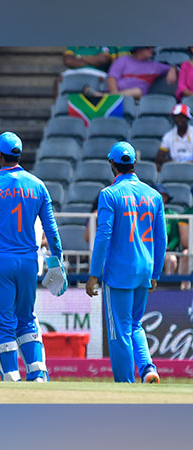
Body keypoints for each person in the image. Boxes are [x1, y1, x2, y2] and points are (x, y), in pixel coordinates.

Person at [0, 132, 66, 382]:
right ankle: (38, 373)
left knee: (2, 321)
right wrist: (58, 260)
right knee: (27, 318)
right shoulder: (37, 185)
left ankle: (11, 376)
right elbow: (51, 229)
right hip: (28, 260)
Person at [86, 141, 166, 383]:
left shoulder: (109, 194)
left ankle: (125, 386)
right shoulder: (153, 195)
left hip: (119, 271)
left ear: (112, 164)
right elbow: (161, 239)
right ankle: (147, 369)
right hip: (144, 269)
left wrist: (93, 274)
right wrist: (156, 273)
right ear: (133, 163)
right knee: (134, 324)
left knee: (119, 330)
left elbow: (102, 236)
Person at [85, 47, 177, 100]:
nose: (151, 50)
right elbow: (111, 78)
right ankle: (107, 97)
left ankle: (101, 96)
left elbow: (174, 67)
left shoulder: (155, 66)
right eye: (148, 47)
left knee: (138, 91)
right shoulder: (123, 59)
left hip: (136, 99)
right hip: (116, 96)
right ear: (138, 50)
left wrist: (172, 69)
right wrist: (115, 96)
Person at [155, 104, 193, 171]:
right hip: (174, 167)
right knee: (157, 166)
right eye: (176, 117)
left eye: (182, 117)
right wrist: (174, 162)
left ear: (187, 118)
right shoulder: (168, 135)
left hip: (191, 166)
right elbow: (159, 157)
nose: (179, 119)